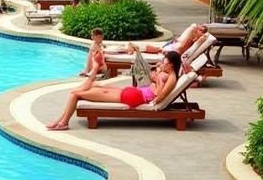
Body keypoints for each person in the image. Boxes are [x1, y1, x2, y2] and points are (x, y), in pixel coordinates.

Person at [47, 51, 181, 131]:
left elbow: (160, 95)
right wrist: (157, 76)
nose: (163, 64)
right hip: (134, 93)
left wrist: (157, 78)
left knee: (75, 94)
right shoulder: (168, 74)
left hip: (135, 97)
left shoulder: (171, 77)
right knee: (94, 86)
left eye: (165, 62)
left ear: (172, 64)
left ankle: (63, 122)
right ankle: (61, 120)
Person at [127, 23, 207, 57]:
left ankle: (133, 47)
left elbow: (181, 48)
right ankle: (133, 47)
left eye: (200, 30)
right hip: (174, 46)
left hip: (174, 50)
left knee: (159, 49)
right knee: (158, 49)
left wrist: (195, 32)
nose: (197, 29)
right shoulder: (192, 35)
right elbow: (193, 26)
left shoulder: (194, 37)